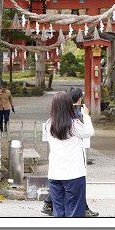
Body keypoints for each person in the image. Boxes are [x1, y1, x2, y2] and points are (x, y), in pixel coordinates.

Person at [42, 88, 98, 217]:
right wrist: (86, 115)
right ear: (69, 105)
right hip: (74, 174)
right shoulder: (74, 124)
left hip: (55, 174)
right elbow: (90, 132)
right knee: (75, 212)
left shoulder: (48, 124)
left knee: (59, 211)